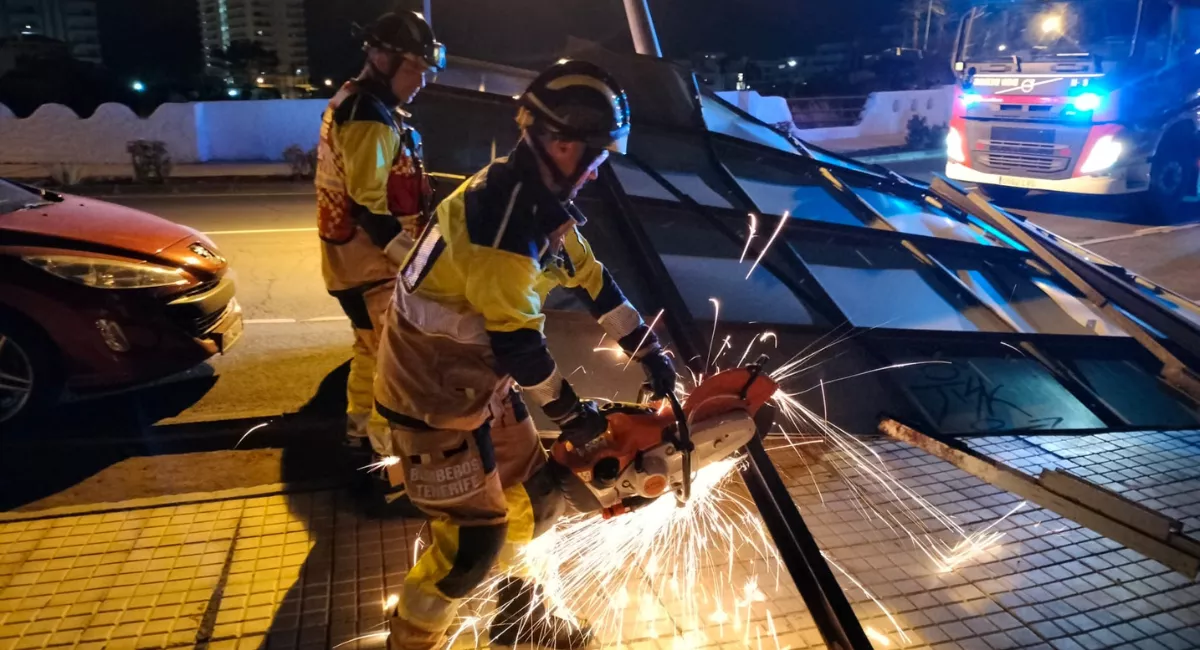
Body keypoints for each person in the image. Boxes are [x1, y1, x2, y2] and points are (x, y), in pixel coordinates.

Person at [373, 59, 676, 649]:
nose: (596, 171)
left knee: (532, 501)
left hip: (478, 382)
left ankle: (522, 623)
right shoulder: (503, 229)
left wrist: (650, 351)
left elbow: (594, 282)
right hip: (431, 399)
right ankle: (410, 641)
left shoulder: (534, 200)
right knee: (472, 545)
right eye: (593, 155)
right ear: (558, 144)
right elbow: (521, 348)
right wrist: (573, 419)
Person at [314, 11, 444, 469]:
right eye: (414, 69)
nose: (422, 82)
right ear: (380, 59)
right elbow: (369, 205)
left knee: (370, 351)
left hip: (354, 263)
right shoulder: (367, 116)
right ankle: (387, 461)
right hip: (371, 267)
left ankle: (360, 440)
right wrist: (413, 261)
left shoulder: (365, 105)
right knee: (397, 362)